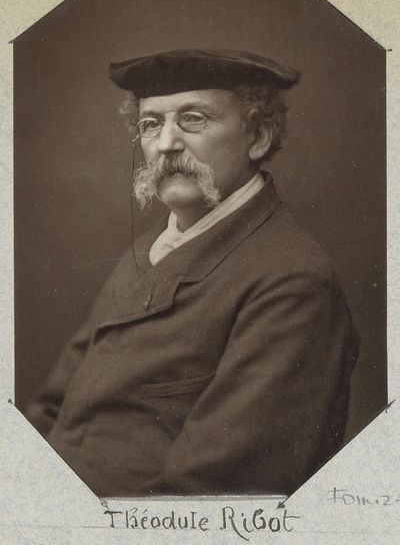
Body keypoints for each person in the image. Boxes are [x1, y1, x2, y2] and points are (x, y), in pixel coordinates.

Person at [26, 49, 359, 497]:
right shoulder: (149, 249)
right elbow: (54, 405)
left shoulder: (293, 283)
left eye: (193, 119)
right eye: (150, 124)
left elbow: (212, 490)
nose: (166, 144)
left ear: (258, 137)